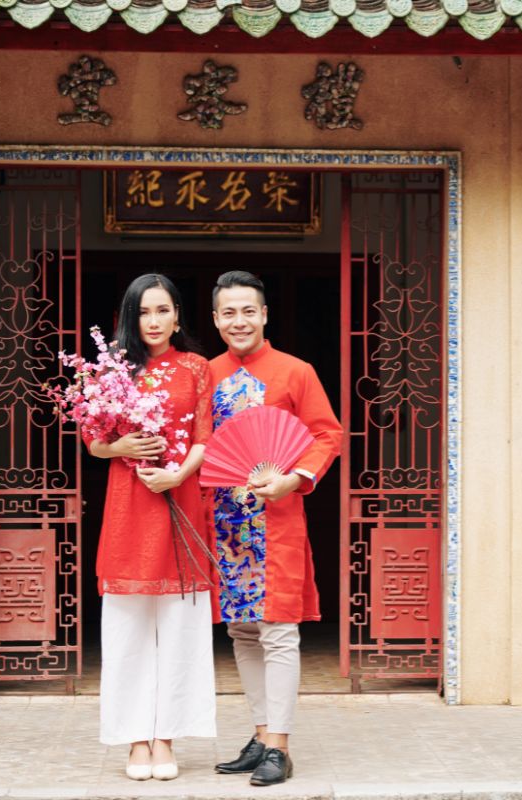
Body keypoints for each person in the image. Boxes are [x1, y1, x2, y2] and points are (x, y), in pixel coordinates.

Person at [208, 270, 342, 786]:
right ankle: (262, 734)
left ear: (264, 314)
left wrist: (294, 479)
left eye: (248, 311)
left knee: (280, 631)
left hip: (277, 521)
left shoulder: (296, 372)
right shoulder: (207, 373)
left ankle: (280, 746)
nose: (239, 321)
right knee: (241, 629)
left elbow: (327, 434)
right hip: (222, 522)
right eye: (228, 312)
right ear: (217, 319)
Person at [86, 273, 218, 782]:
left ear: (178, 315)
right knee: (127, 629)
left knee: (182, 628)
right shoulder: (113, 369)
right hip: (129, 509)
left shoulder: (196, 368)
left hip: (180, 501)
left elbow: (207, 435)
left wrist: (178, 474)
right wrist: (120, 448)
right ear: (130, 317)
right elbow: (94, 441)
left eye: (163, 310)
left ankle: (167, 737)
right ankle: (136, 740)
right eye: (144, 312)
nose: (154, 321)